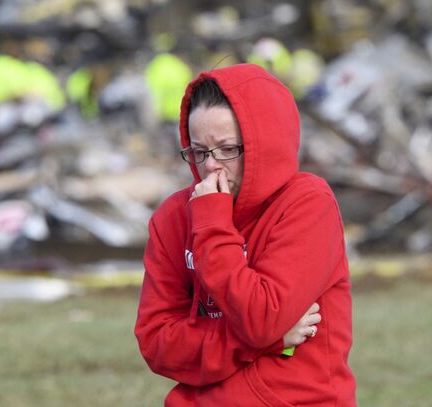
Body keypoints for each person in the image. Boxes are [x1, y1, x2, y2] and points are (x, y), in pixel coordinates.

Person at [134, 64, 356, 406]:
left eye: (227, 149)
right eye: (198, 151)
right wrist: (264, 341)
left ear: (263, 142)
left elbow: (262, 319)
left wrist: (211, 223)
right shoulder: (173, 217)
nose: (210, 166)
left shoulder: (307, 203)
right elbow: (157, 343)